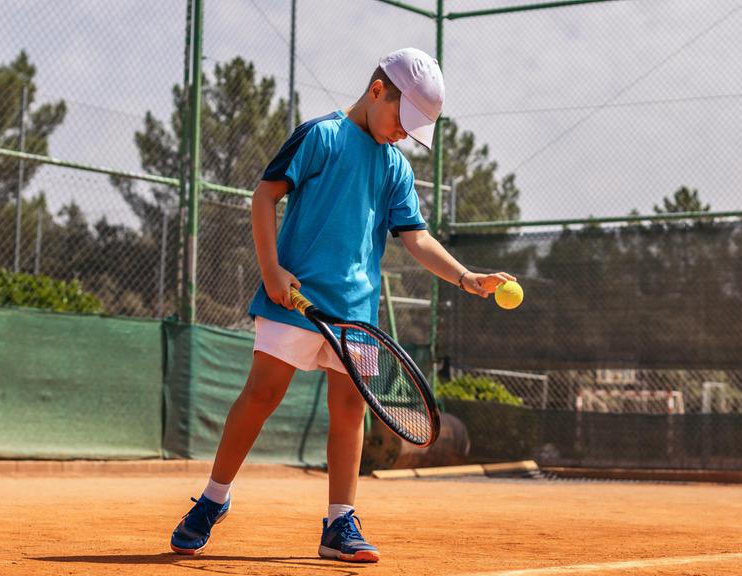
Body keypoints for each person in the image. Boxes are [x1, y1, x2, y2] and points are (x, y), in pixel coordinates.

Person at [170, 47, 516, 563]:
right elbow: (264, 197)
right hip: (294, 298)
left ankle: (339, 522)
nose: (404, 134)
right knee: (261, 394)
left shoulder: (396, 167)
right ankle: (213, 499)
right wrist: (270, 270)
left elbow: (415, 238)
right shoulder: (320, 136)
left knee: (350, 410)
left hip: (356, 316)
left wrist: (465, 277)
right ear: (378, 91)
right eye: (403, 119)